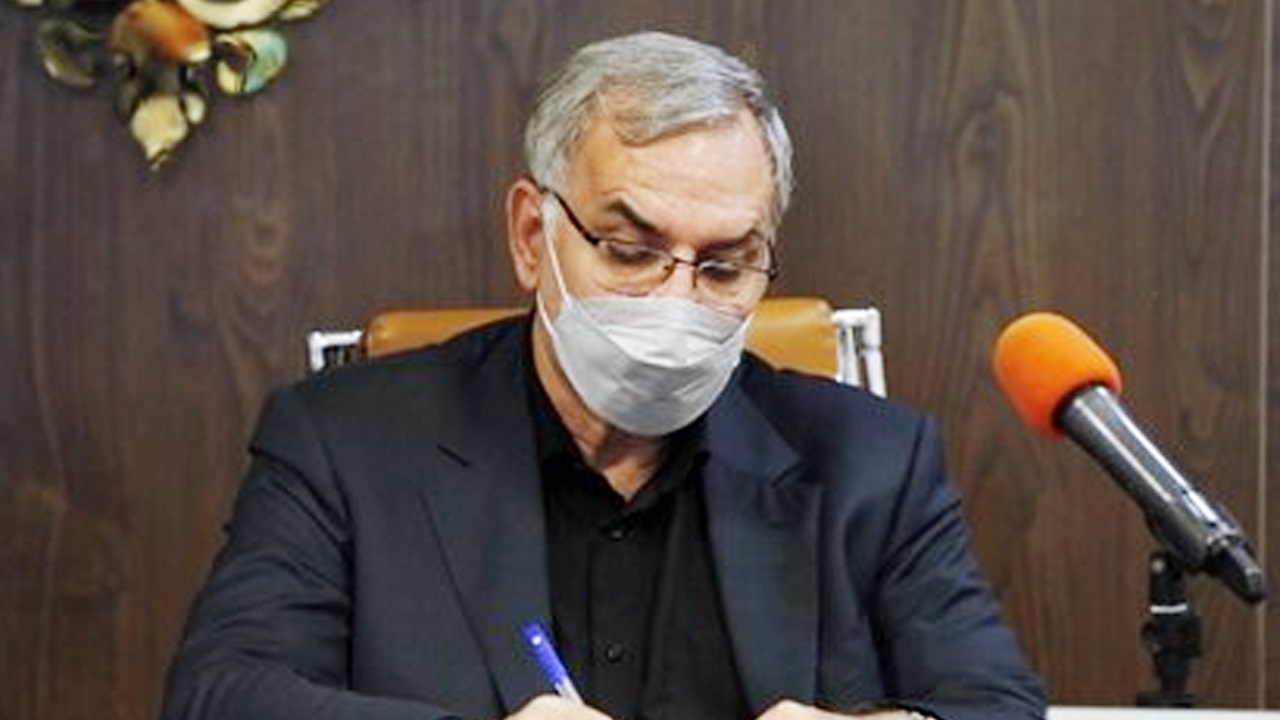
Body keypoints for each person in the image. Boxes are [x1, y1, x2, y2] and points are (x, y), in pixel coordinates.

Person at [161, 31, 1046, 720]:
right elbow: (222, 695)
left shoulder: (873, 462)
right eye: (629, 250)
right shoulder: (347, 444)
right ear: (531, 237)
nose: (676, 300)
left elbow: (997, 703)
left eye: (725, 265)